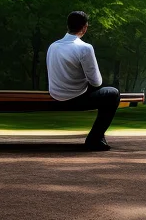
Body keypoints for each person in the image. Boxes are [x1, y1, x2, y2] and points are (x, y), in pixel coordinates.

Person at [45, 10, 121, 150]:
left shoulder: (53, 46)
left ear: (67, 26)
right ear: (85, 27)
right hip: (74, 99)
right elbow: (96, 82)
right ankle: (95, 138)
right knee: (113, 93)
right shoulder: (85, 48)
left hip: (55, 95)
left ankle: (98, 138)